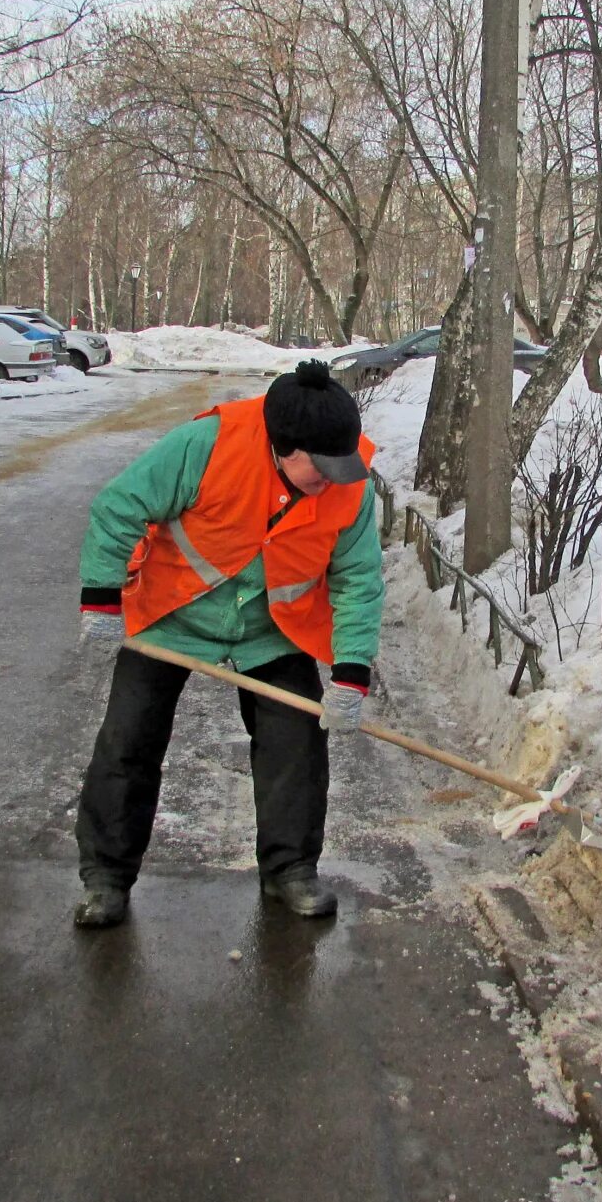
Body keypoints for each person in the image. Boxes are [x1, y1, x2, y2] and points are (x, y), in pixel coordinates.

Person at [71, 360, 383, 928]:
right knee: (128, 739)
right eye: (322, 468)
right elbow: (120, 505)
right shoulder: (206, 444)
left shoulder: (349, 483)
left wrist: (351, 674)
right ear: (283, 447)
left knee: (296, 742)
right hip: (173, 611)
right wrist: (101, 596)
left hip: (273, 628)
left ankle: (290, 870)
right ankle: (107, 878)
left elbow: (358, 580)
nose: (335, 480)